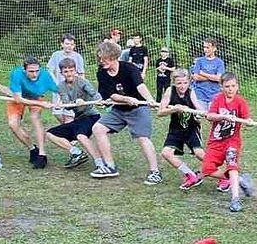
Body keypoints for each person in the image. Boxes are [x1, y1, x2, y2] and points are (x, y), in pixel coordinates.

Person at [89, 39, 163, 184]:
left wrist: (149, 99)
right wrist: (126, 99)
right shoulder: (101, 73)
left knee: (142, 137)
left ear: (113, 56)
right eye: (100, 59)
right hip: (119, 109)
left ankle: (155, 172)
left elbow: (140, 86)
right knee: (98, 128)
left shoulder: (129, 68)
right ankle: (110, 166)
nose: (101, 62)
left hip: (138, 108)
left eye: (104, 58)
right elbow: (111, 95)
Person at [202, 73, 255, 211]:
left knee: (232, 166)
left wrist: (248, 122)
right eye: (227, 86)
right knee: (207, 169)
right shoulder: (218, 99)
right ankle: (240, 180)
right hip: (216, 142)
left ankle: (235, 199)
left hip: (232, 141)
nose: (230, 89)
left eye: (233, 86)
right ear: (221, 87)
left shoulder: (241, 102)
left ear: (237, 87)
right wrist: (223, 116)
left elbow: (247, 120)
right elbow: (209, 116)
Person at [45, 58, 102, 169]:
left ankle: (100, 163)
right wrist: (76, 102)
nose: (69, 74)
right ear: (61, 73)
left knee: (80, 136)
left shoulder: (83, 82)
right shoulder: (61, 86)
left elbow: (94, 94)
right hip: (79, 119)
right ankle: (77, 153)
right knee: (51, 133)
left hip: (91, 116)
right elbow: (67, 105)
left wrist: (100, 101)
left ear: (75, 71)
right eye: (66, 71)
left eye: (71, 71)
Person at [7, 56, 61, 169]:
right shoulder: (17, 74)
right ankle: (32, 148)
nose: (35, 74)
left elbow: (60, 90)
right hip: (18, 97)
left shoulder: (45, 76)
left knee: (35, 118)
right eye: (31, 71)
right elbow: (18, 99)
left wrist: (60, 102)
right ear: (24, 70)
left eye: (37, 71)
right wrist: (42, 104)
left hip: (36, 96)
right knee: (12, 124)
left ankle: (42, 154)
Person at [158, 68, 205, 190]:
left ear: (189, 82)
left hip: (191, 128)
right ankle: (190, 175)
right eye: (179, 83)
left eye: (185, 83)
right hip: (175, 129)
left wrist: (200, 114)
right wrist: (175, 109)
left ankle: (223, 176)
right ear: (174, 83)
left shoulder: (191, 92)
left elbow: (199, 109)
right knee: (166, 153)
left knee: (199, 154)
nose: (182, 86)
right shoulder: (170, 91)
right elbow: (160, 112)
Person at [46, 34, 85, 125]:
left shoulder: (78, 57)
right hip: (58, 89)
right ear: (62, 44)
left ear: (74, 45)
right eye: (67, 44)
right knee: (57, 112)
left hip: (72, 89)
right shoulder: (56, 55)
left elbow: (81, 73)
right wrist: (55, 82)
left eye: (71, 44)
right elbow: (49, 70)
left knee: (69, 115)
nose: (69, 46)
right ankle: (67, 128)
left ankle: (69, 129)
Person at [191, 38, 226, 109]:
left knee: (212, 115)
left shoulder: (219, 62)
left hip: (214, 94)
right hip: (200, 94)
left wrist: (203, 73)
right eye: (204, 47)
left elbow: (219, 78)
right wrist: (213, 77)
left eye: (208, 47)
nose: (205, 50)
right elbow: (196, 77)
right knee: (199, 114)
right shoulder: (199, 61)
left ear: (214, 48)